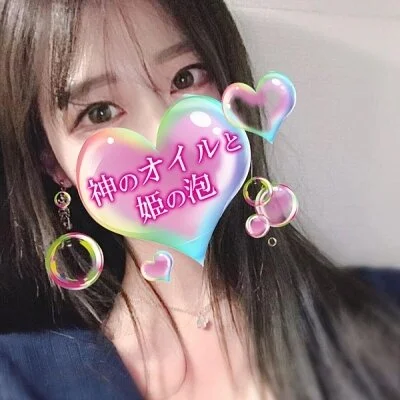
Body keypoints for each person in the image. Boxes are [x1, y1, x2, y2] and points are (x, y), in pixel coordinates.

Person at [0, 0, 399, 399]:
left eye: (186, 77)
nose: (161, 130)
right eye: (100, 112)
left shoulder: (384, 310)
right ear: (52, 162)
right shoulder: (24, 378)